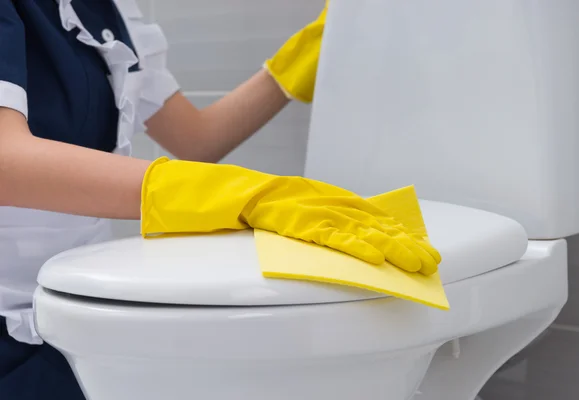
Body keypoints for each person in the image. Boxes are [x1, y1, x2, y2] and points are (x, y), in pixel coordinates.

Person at [0, 1, 441, 399]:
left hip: (70, 311)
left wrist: (298, 60)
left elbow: (196, 140)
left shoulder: (108, 13)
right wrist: (243, 195)